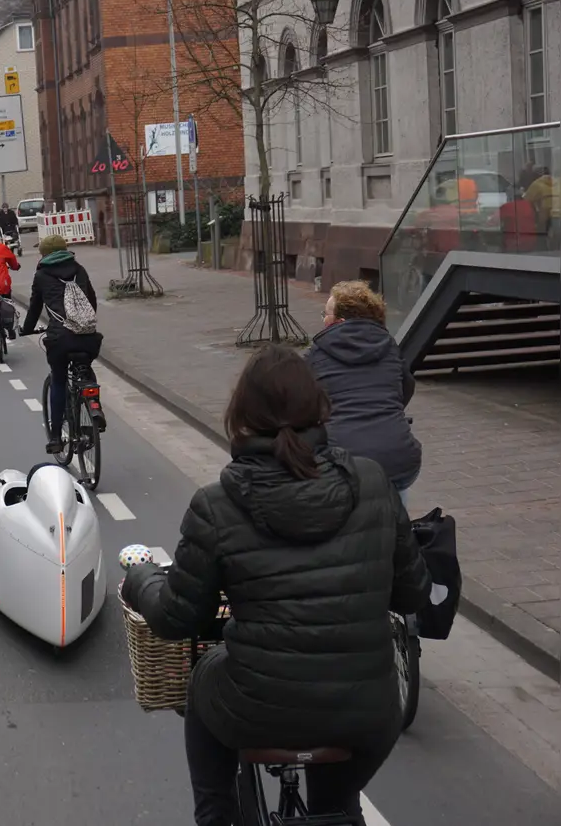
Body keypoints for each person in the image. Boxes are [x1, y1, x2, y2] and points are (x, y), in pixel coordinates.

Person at [121, 345, 431, 826]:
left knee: (204, 679)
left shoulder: (216, 504)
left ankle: (217, 814)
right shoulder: (373, 483)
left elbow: (176, 617)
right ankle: (335, 807)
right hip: (367, 713)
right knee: (335, 798)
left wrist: (140, 579)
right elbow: (413, 594)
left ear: (240, 416)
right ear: (319, 408)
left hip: (254, 708)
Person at [306, 281, 421, 508]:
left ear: (338, 321)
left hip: (343, 462)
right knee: (395, 506)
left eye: (325, 314)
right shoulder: (389, 346)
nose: (322, 319)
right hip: (399, 457)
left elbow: (301, 405)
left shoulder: (315, 356)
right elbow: (406, 389)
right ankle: (399, 533)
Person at [20, 234, 103, 454]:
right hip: (88, 337)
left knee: (58, 380)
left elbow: (35, 308)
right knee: (85, 369)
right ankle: (96, 409)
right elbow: (91, 301)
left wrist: (26, 329)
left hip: (60, 339)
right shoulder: (80, 269)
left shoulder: (42, 275)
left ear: (44, 254)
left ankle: (56, 437)